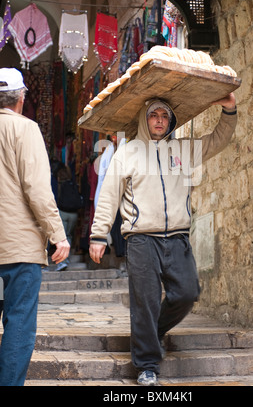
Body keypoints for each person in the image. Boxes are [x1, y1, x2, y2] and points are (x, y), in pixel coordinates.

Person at [89, 93, 237, 386]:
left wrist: (229, 110)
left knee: (186, 292)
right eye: (154, 115)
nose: (159, 121)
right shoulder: (127, 153)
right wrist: (99, 234)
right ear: (145, 119)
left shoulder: (183, 149)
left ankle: (152, 333)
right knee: (145, 301)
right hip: (142, 239)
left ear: (170, 121)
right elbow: (108, 197)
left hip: (178, 237)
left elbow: (219, 139)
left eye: (164, 116)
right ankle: (147, 366)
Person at [0, 68, 70, 386]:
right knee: (18, 323)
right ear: (21, 98)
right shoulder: (25, 130)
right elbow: (38, 190)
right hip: (19, 249)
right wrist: (58, 236)